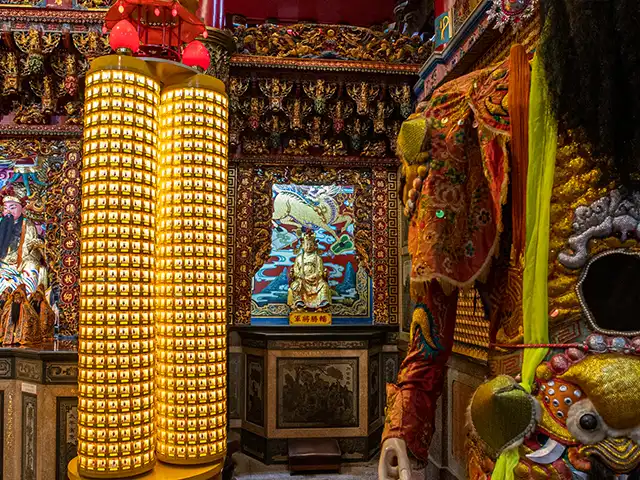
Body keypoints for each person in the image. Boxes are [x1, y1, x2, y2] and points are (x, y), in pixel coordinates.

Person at [287, 229, 331, 311]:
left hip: (315, 280)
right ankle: (299, 301)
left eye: (311, 245)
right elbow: (296, 270)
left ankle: (323, 301)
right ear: (303, 245)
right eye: (307, 244)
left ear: (315, 246)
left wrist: (313, 276)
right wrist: (301, 276)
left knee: (324, 285)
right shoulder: (299, 258)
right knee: (296, 285)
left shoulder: (317, 258)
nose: (309, 246)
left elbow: (320, 271)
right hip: (302, 279)